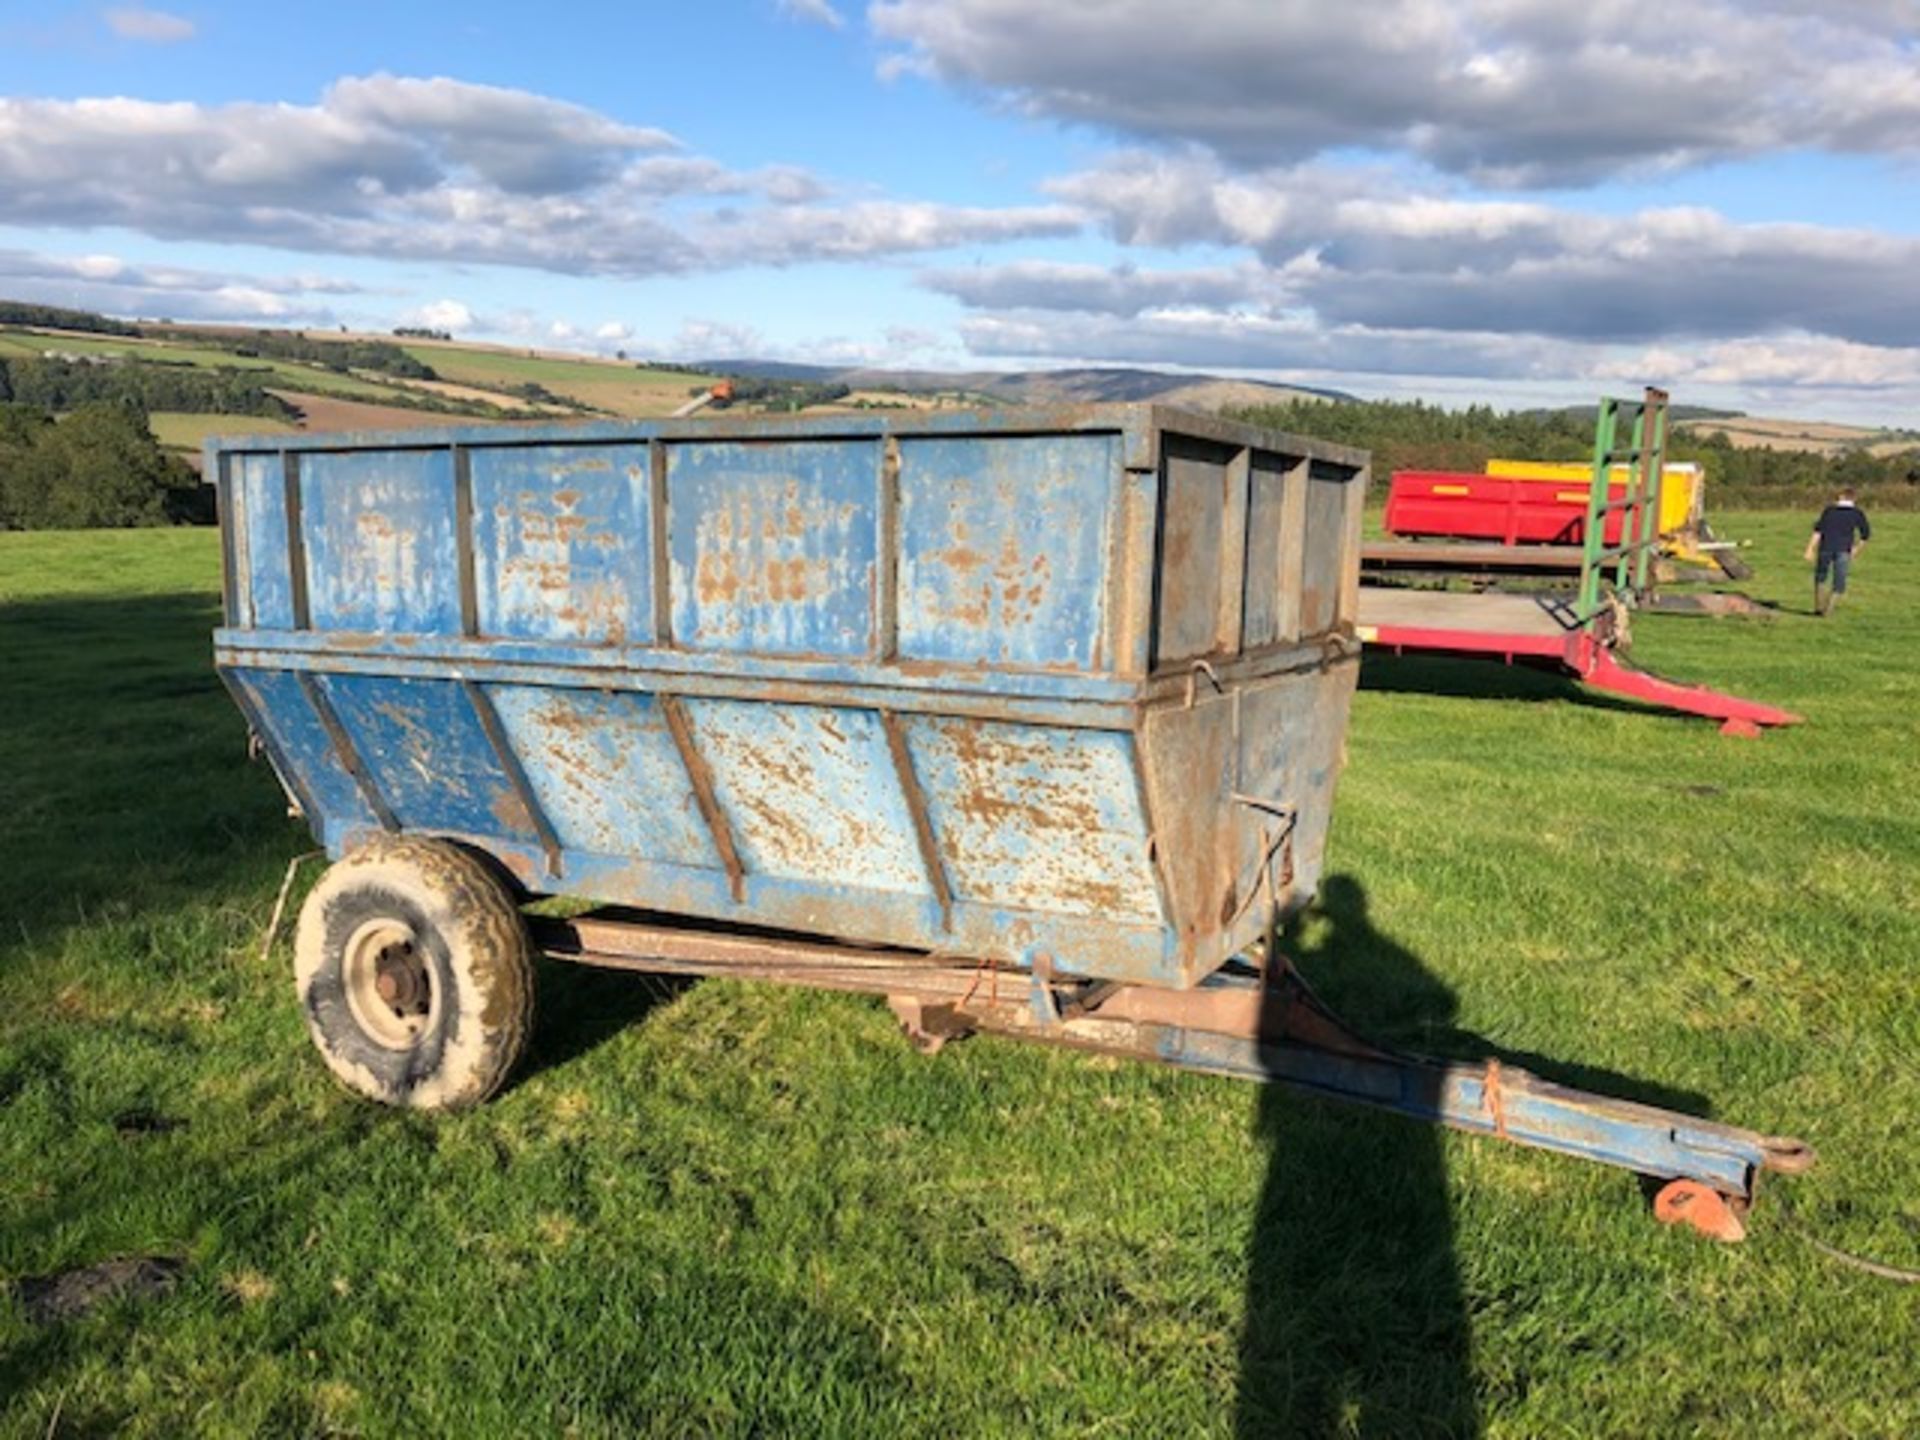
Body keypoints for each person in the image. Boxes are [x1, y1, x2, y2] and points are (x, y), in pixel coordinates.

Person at [1805, 488, 1871, 615]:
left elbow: (1818, 531)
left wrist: (1810, 549)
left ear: (1840, 497)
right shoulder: (1857, 513)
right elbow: (1865, 535)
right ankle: (1829, 609)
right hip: (1843, 549)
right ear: (1854, 499)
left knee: (1821, 576)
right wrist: (1857, 549)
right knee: (1839, 581)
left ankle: (1818, 607)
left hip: (1826, 547)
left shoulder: (1829, 511)